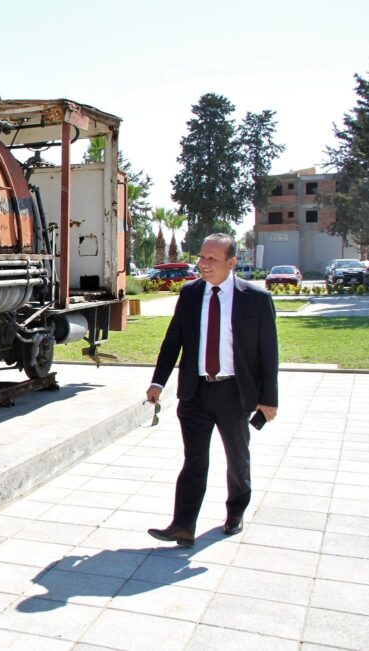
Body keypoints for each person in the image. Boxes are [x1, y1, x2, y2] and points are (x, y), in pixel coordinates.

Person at [145, 233, 278, 547]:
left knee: (237, 458)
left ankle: (235, 513)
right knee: (194, 460)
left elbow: (268, 352)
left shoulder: (256, 299)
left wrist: (268, 399)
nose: (203, 264)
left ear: (231, 263)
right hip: (195, 393)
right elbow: (172, 341)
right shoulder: (190, 294)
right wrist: (158, 381)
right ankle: (182, 525)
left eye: (212, 259)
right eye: (202, 257)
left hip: (234, 393)